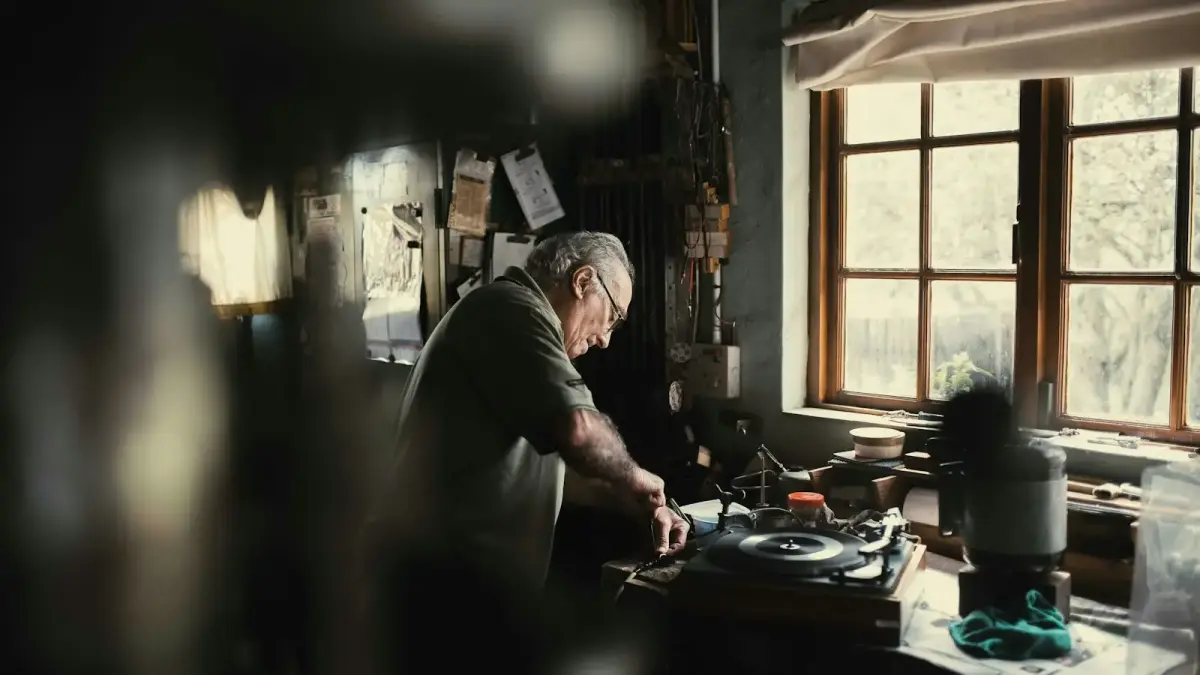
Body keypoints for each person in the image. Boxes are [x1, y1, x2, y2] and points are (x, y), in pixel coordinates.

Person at [371, 231, 688, 592]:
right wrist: (634, 476)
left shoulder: (507, 322)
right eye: (613, 317)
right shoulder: (511, 309)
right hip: (441, 588)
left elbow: (557, 477)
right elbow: (580, 431)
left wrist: (644, 506)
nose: (605, 339)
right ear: (583, 281)